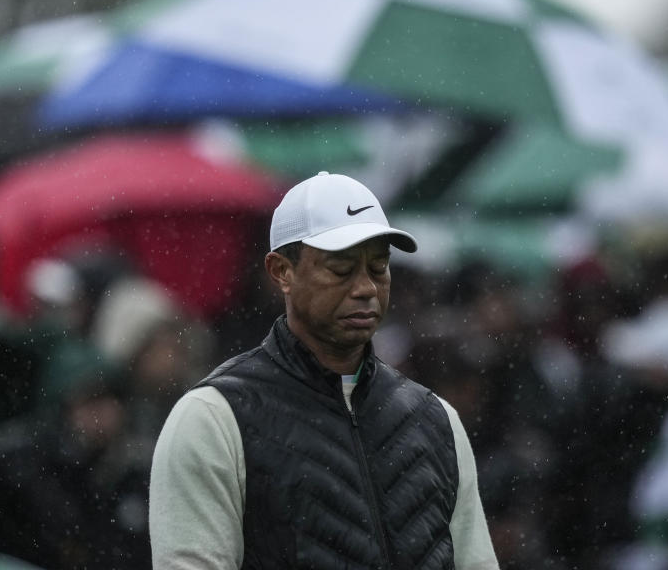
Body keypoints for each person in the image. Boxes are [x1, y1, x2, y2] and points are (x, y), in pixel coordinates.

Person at [150, 172, 498, 569]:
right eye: (341, 269)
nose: (366, 287)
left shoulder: (436, 419)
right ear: (282, 271)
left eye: (379, 266)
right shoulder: (213, 419)